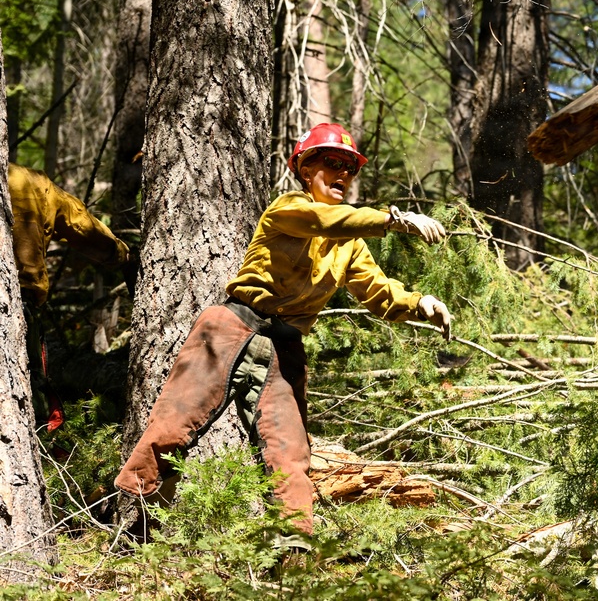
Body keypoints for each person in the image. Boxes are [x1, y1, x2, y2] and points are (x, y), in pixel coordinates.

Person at [114, 123, 453, 535]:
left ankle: (293, 555)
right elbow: (324, 221)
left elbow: (379, 293)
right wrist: (393, 220)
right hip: (230, 327)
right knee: (171, 428)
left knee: (291, 455)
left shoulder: (351, 245)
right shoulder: (288, 209)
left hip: (284, 348)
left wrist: (421, 303)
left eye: (350, 167)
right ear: (305, 170)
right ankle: (137, 531)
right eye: (331, 162)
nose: (343, 173)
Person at [8, 163, 133, 432]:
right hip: (17, 306)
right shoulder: (30, 181)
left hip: (19, 304)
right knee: (29, 397)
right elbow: (81, 226)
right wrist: (122, 255)